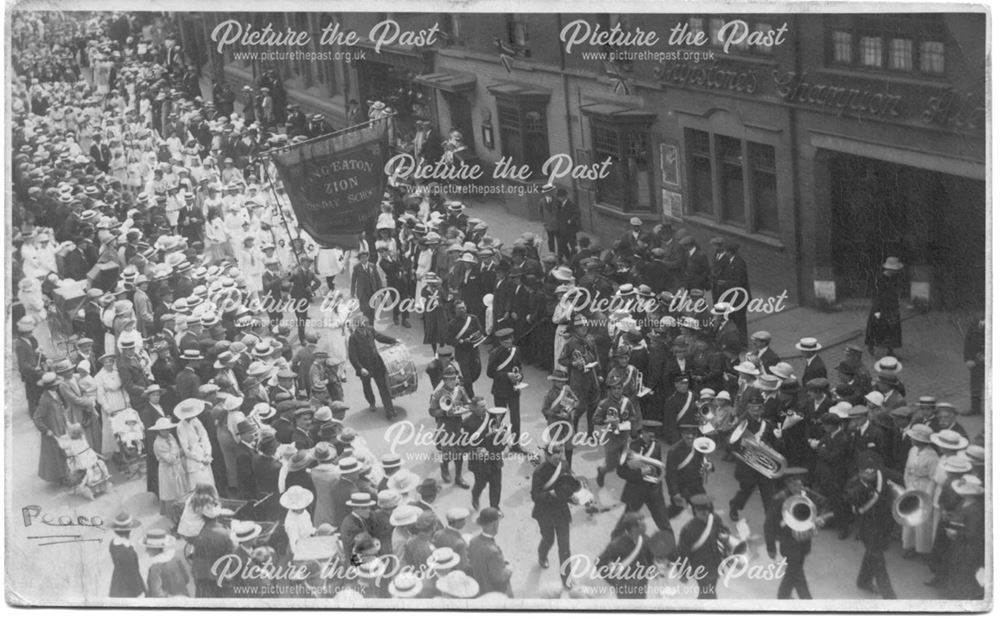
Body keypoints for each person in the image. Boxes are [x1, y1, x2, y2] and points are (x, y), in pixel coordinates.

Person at [763, 467, 828, 599]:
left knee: (793, 572)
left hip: (804, 542)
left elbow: (824, 502)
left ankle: (783, 596)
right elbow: (768, 525)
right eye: (793, 484)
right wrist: (771, 547)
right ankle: (808, 604)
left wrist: (819, 517)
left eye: (799, 484)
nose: (797, 487)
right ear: (787, 484)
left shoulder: (806, 494)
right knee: (798, 575)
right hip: (788, 543)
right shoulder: (779, 499)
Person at [530, 441, 573, 587]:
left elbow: (570, 483)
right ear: (547, 455)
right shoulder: (539, 472)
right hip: (545, 513)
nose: (559, 456)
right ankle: (542, 556)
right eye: (555, 453)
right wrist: (551, 494)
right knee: (548, 540)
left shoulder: (564, 465)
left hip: (561, 512)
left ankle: (566, 578)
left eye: (561, 452)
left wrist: (577, 496)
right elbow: (535, 495)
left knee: (565, 547)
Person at [676, 494, 729, 599]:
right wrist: (683, 573)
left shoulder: (715, 518)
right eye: (701, 512)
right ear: (695, 511)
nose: (705, 514)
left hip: (715, 562)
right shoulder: (688, 529)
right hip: (701, 566)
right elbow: (682, 553)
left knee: (710, 590)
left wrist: (725, 535)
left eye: (707, 511)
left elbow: (723, 530)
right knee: (708, 592)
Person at [347, 315, 399, 419]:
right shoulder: (353, 338)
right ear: (358, 327)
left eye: (366, 324)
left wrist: (394, 340)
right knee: (367, 386)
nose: (365, 327)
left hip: (376, 364)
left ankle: (390, 410)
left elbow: (380, 337)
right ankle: (372, 402)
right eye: (363, 325)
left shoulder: (370, 329)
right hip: (364, 367)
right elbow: (352, 356)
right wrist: (360, 368)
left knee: (383, 387)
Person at [486, 327, 526, 454]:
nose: (508, 343)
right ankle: (495, 442)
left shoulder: (516, 350)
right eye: (505, 342)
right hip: (500, 390)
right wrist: (506, 375)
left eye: (509, 340)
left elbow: (519, 366)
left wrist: (520, 375)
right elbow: (490, 373)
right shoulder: (495, 353)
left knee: (516, 419)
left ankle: (515, 444)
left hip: (514, 389)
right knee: (499, 418)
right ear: (500, 342)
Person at [596, 511, 653, 599]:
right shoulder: (617, 545)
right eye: (642, 524)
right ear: (634, 528)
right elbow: (599, 562)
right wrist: (614, 582)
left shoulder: (645, 539)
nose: (645, 526)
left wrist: (650, 569)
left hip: (642, 584)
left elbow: (649, 557)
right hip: (625, 587)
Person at [864, 256, 904, 357]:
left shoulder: (894, 278)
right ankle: (871, 347)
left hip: (892, 307)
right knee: (875, 327)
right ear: (889, 269)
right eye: (894, 269)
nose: (895, 271)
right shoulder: (880, 278)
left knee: (893, 328)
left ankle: (890, 350)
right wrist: (877, 310)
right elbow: (876, 294)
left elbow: (895, 292)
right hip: (880, 307)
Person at [468, 507, 512, 597]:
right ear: (494, 525)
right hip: (494, 592)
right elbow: (499, 579)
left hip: (479, 586)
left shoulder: (473, 540)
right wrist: (509, 569)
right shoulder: (493, 552)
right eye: (498, 523)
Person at [149, 417, 190, 514]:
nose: (167, 431)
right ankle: (173, 515)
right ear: (159, 431)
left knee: (181, 489)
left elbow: (177, 452)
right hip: (167, 470)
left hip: (177, 467)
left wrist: (182, 451)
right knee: (170, 491)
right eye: (164, 430)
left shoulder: (170, 436)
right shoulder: (158, 443)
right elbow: (170, 459)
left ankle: (183, 511)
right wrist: (175, 449)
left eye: (168, 429)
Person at [143, 528, 195, 597]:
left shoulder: (155, 568)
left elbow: (155, 594)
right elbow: (186, 579)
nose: (146, 550)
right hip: (184, 597)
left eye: (148, 547)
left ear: (154, 549)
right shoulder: (176, 559)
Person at [108, 512, 146, 598]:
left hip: (117, 580)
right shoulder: (128, 552)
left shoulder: (113, 543)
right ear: (130, 530)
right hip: (129, 587)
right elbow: (132, 574)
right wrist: (139, 592)